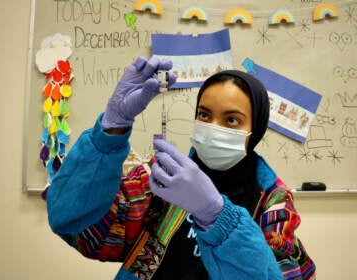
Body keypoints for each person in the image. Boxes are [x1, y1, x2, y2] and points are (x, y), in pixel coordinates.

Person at [46, 56, 316, 280]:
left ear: (254, 129)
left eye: (232, 120)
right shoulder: (164, 177)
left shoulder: (272, 201)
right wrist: (109, 133)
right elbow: (76, 225)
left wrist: (217, 217)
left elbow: (279, 274)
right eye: (204, 115)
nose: (214, 128)